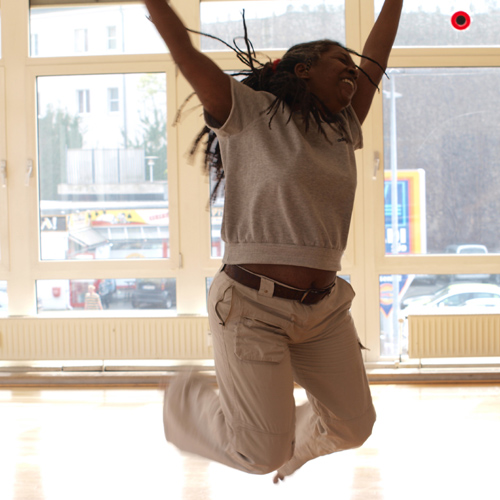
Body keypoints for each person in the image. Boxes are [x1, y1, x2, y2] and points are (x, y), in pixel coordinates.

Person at [144, 0, 403, 483]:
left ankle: (288, 444)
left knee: (353, 427)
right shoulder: (247, 111)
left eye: (353, 67)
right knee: (257, 456)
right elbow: (186, 53)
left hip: (323, 311)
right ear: (303, 71)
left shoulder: (343, 125)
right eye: (340, 63)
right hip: (251, 307)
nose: (354, 71)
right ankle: (187, 404)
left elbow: (377, 56)